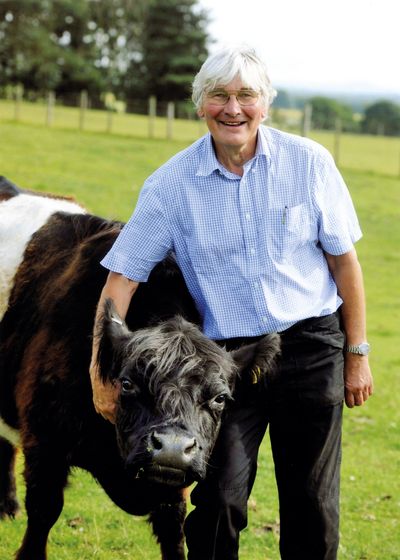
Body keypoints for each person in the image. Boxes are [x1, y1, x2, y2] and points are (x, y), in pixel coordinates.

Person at [89, 45, 373, 560]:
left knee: (312, 503)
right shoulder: (171, 185)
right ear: (201, 105)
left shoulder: (309, 164)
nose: (233, 108)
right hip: (223, 363)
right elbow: (120, 281)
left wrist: (357, 354)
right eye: (218, 96)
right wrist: (100, 373)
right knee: (219, 499)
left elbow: (345, 265)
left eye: (246, 95)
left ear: (266, 104)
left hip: (312, 348)